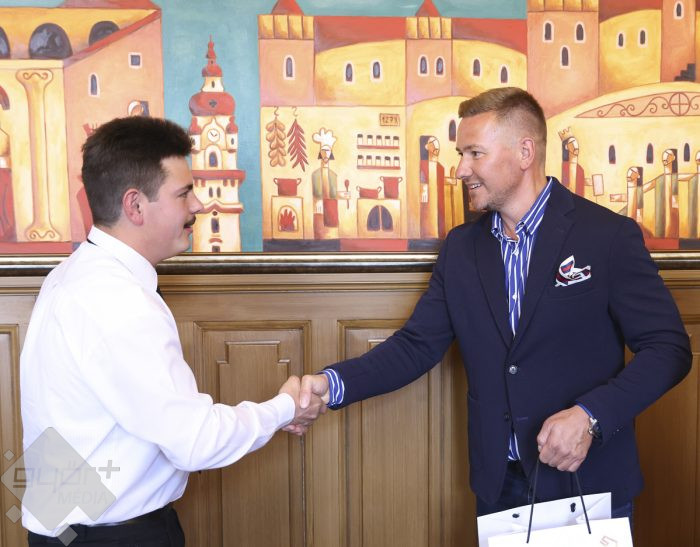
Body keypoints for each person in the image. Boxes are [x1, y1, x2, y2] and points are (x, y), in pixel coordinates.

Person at [297, 87, 691, 518]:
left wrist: (590, 416)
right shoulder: (461, 248)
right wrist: (329, 385)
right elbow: (416, 346)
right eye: (460, 154)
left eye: (475, 153)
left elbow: (668, 349)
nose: (460, 169)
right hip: (498, 486)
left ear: (525, 152)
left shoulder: (608, 236)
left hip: (588, 481)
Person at [20, 116, 325, 546]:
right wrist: (285, 408)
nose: (198, 206)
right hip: (114, 538)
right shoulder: (119, 301)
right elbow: (195, 442)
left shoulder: (71, 275)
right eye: (183, 193)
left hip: (67, 530)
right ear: (135, 206)